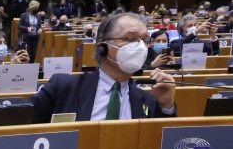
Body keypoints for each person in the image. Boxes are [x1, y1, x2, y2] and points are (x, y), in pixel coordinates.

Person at [28, 13, 176, 123]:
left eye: (144, 40)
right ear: (102, 48)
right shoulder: (63, 87)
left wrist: (167, 107)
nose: (140, 47)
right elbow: (21, 127)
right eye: (130, 39)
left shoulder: (148, 100)